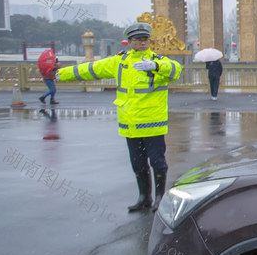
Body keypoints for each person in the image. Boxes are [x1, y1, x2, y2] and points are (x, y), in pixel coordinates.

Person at [57, 23, 182, 212]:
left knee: (157, 162)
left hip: (152, 122)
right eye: (137, 40)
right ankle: (144, 197)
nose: (142, 43)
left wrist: (155, 66)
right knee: (137, 162)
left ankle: (159, 198)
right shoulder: (120, 62)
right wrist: (63, 74)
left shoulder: (157, 61)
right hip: (130, 123)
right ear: (129, 42)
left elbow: (175, 70)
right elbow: (92, 69)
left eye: (145, 39)